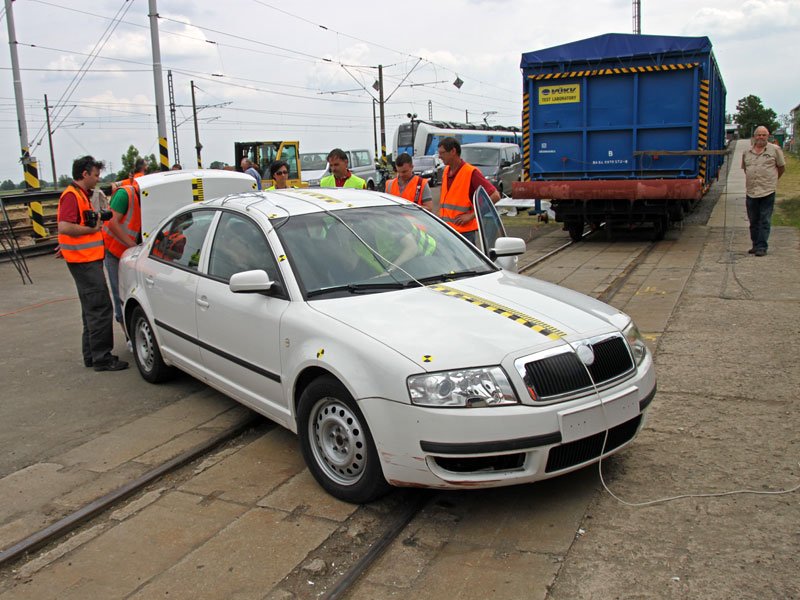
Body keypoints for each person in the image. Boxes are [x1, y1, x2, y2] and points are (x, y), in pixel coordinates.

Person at [57, 156, 128, 372]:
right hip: (83, 261)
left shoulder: (80, 195)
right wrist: (92, 229)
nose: (98, 179)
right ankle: (102, 357)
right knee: (100, 308)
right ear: (85, 174)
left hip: (85, 260)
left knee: (91, 308)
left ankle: (91, 354)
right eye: (95, 175)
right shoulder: (72, 196)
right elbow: (65, 227)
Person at [437, 136, 500, 245]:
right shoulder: (446, 171)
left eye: (442, 153)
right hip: (447, 231)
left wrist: (471, 216)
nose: (439, 156)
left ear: (453, 151)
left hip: (464, 233)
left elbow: (495, 196)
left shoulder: (470, 172)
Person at [742, 126, 786, 256]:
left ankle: (762, 247)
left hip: (767, 190)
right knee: (753, 220)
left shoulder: (775, 150)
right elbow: (745, 169)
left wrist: (772, 181)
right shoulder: (747, 152)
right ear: (754, 136)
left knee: (764, 219)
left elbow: (781, 167)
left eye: (763, 135)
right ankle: (755, 245)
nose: (761, 137)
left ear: (768, 136)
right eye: (758, 135)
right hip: (751, 191)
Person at [103, 180, 142, 324]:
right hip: (115, 251)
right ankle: (127, 334)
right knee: (120, 292)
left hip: (133, 254)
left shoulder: (150, 199)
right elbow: (112, 223)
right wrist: (133, 245)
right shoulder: (125, 195)